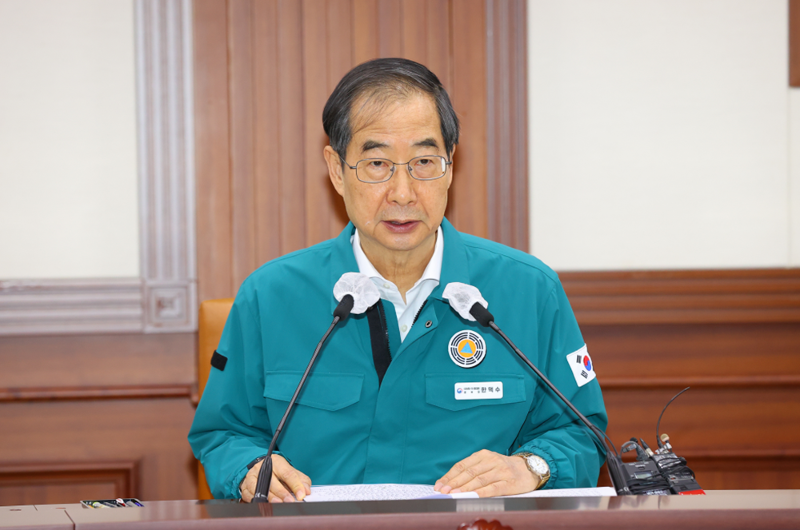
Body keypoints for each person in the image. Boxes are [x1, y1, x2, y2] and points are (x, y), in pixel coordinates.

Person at [188, 58, 607, 503]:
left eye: (424, 162)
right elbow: (223, 434)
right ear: (336, 170)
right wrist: (249, 470)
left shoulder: (528, 290)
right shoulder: (270, 297)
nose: (403, 193)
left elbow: (582, 433)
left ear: (450, 166)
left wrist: (532, 466)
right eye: (377, 164)